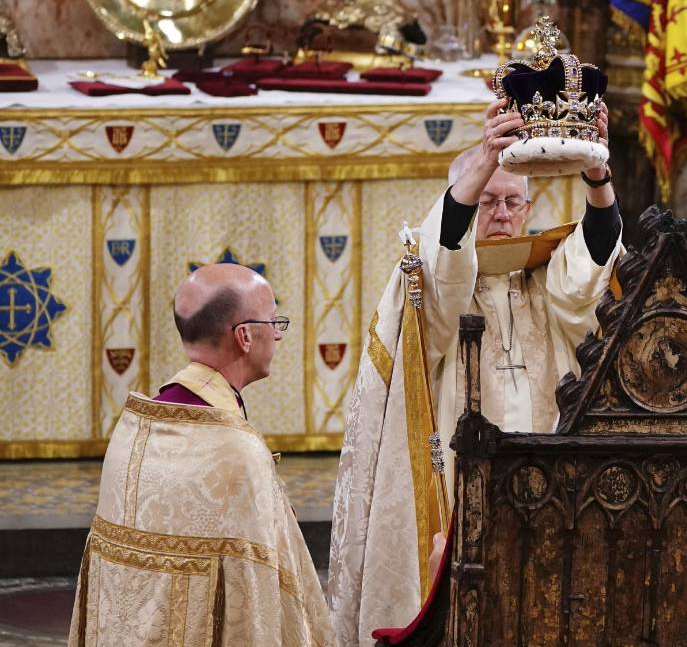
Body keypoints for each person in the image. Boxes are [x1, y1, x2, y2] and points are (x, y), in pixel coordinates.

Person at [329, 98, 623, 645]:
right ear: (462, 202)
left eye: (514, 201)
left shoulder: (544, 270)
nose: (503, 213)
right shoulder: (432, 272)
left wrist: (597, 175)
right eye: (488, 200)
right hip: (457, 471)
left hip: (547, 465)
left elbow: (588, 279)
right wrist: (485, 161)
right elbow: (443, 283)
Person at [68, 264, 333, 647]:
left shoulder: (130, 429)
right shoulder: (236, 449)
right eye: (274, 321)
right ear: (244, 336)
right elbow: (259, 599)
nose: (277, 334)